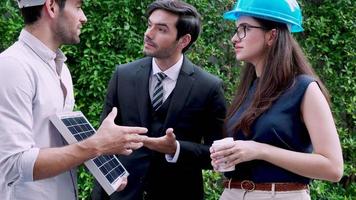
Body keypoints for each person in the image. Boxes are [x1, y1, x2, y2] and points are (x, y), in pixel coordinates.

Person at [0, 0, 148, 200]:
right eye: (78, 6)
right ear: (51, 6)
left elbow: (59, 145)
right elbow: (12, 164)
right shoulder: (12, 67)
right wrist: (96, 145)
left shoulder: (60, 68)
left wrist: (105, 166)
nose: (84, 17)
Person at [91, 0, 227, 200]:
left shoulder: (208, 87)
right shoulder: (123, 75)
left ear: (184, 40)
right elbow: (103, 141)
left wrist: (177, 149)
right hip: (123, 195)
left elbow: (217, 154)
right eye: (149, 25)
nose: (149, 33)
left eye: (161, 29)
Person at [210, 0, 344, 199]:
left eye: (244, 28)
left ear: (272, 35)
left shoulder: (304, 88)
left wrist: (260, 150)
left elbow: (333, 168)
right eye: (237, 29)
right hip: (232, 193)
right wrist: (228, 155)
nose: (233, 38)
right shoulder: (249, 88)